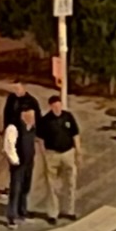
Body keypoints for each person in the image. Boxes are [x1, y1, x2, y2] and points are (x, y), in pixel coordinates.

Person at [35, 92, 81, 223]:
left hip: (68, 153)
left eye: (59, 106)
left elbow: (75, 134)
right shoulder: (45, 121)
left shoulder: (68, 117)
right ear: (50, 106)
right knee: (51, 185)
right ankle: (52, 213)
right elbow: (40, 139)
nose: (57, 108)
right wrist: (44, 155)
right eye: (55, 106)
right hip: (52, 154)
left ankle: (70, 210)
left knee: (71, 183)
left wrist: (78, 151)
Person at [3, 104, 38, 227]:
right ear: (23, 114)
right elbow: (9, 146)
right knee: (16, 189)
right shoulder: (13, 128)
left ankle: (22, 212)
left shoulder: (31, 127)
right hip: (18, 164)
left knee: (25, 188)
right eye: (30, 114)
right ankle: (11, 217)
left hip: (29, 163)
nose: (33, 117)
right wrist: (15, 161)